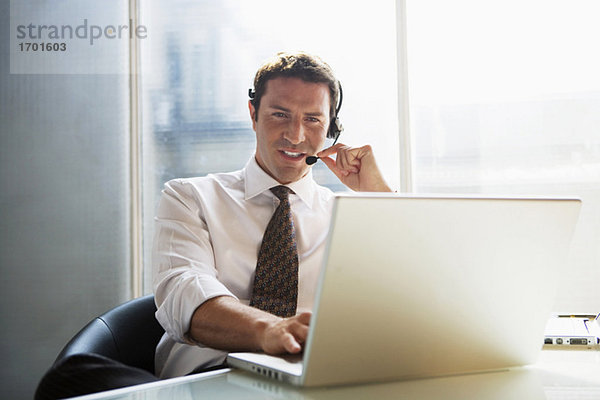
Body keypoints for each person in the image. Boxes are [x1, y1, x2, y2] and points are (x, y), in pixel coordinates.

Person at [152, 51, 393, 379]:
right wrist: (270, 331)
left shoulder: (348, 216)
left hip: (310, 379)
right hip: (205, 378)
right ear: (254, 114)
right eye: (280, 114)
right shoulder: (189, 197)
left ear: (332, 127)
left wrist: (377, 194)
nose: (295, 135)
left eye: (312, 119)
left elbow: (421, 298)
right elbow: (183, 293)